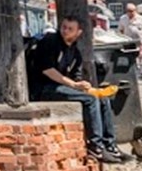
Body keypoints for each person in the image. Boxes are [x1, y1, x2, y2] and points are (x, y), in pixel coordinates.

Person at [29, 17, 130, 163]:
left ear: (78, 32)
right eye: (64, 27)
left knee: (102, 98)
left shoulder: (75, 52)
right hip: (43, 88)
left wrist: (83, 85)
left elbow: (75, 77)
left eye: (70, 29)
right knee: (90, 100)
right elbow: (47, 70)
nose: (65, 31)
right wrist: (74, 85)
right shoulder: (51, 41)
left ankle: (110, 144)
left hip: (63, 87)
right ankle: (95, 147)